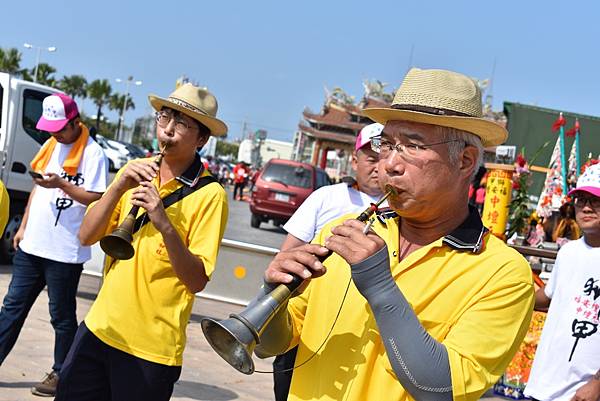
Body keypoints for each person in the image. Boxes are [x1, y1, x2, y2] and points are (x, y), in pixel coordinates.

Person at [253, 68, 535, 401]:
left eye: (412, 147)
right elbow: (270, 346)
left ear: (465, 161)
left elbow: (438, 388)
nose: (389, 165)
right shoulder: (343, 232)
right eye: (387, 145)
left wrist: (379, 285)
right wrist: (271, 295)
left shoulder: (503, 274)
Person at [55, 83, 229, 401]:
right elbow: (86, 235)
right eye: (165, 118)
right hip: (100, 327)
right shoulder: (134, 171)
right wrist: (119, 184)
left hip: (152, 348)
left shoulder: (210, 195)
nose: (169, 130)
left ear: (202, 139)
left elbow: (196, 280)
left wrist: (164, 224)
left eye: (182, 124)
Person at [0, 93, 107, 397]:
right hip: (33, 246)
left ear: (75, 122)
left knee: (60, 316)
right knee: (11, 308)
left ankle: (63, 374)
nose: (56, 134)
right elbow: (37, 190)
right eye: (51, 128)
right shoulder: (49, 145)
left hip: (64, 252)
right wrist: (22, 228)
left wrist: (62, 184)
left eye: (61, 128)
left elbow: (96, 198)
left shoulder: (93, 153)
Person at [272, 122, 385, 401]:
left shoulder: (400, 213)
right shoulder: (326, 197)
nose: (378, 167)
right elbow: (286, 255)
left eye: (384, 160)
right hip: (305, 324)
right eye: (371, 159)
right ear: (354, 160)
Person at [525, 164, 600, 401]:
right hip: (544, 384)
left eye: (596, 200)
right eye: (581, 199)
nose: (586, 207)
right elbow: (546, 296)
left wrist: (597, 384)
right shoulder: (568, 253)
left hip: (584, 393)